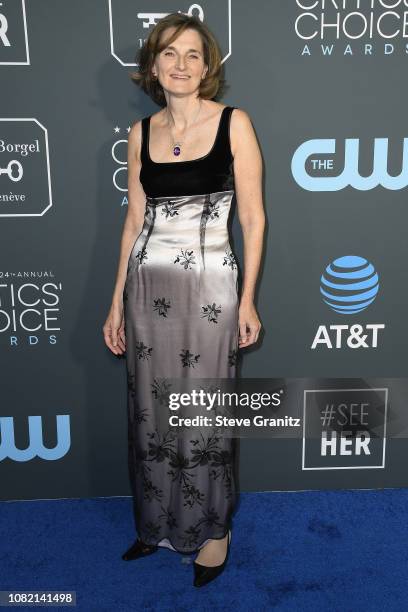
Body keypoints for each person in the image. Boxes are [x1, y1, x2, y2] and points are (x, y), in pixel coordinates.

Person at [103, 12, 264, 587]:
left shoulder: (233, 124)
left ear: (208, 65)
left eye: (193, 54)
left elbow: (253, 217)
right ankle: (160, 525)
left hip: (211, 292)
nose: (180, 65)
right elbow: (133, 221)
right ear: (153, 66)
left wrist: (247, 300)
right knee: (150, 412)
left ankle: (213, 532)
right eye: (169, 54)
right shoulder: (140, 134)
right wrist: (116, 302)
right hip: (147, 289)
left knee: (205, 413)